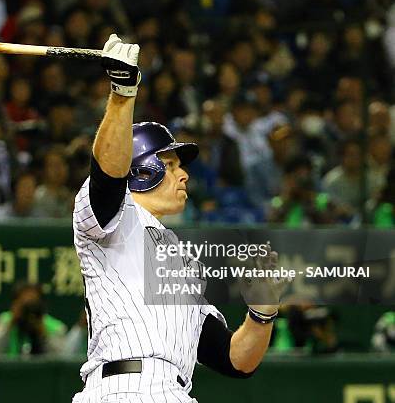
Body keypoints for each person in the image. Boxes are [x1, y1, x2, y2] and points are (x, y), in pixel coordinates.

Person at [71, 35, 289, 403]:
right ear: (140, 170)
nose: (184, 175)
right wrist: (123, 94)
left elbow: (234, 360)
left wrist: (262, 313)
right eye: (170, 165)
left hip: (172, 392)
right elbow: (108, 172)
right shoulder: (115, 217)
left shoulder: (182, 265)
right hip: (123, 387)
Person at [0, 282, 67, 356]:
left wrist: (43, 333)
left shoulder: (54, 326)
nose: (28, 309)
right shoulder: (5, 320)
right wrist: (10, 325)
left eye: (33, 303)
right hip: (11, 371)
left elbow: (63, 357)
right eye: (24, 304)